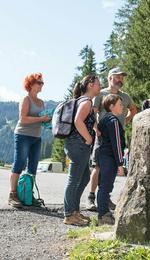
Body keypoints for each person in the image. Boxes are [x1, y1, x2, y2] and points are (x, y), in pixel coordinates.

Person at [87, 67, 137, 211]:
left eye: (122, 77)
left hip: (117, 136)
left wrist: (124, 122)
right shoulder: (100, 94)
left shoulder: (125, 96)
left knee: (112, 167)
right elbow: (93, 113)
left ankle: (105, 198)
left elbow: (133, 110)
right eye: (117, 76)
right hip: (102, 136)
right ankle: (91, 197)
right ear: (110, 78)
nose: (120, 79)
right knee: (98, 166)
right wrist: (96, 129)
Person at [63, 75, 101, 226]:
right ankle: (69, 214)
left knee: (85, 177)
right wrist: (89, 139)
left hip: (78, 145)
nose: (100, 86)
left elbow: (84, 121)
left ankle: (75, 211)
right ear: (90, 85)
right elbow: (78, 121)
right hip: (78, 145)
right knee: (73, 180)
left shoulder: (84, 101)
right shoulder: (85, 102)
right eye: (98, 83)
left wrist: (95, 130)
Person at [8, 73, 49, 208]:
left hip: (36, 137)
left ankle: (27, 194)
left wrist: (47, 122)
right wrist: (41, 119)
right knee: (19, 164)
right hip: (23, 135)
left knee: (32, 167)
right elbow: (23, 119)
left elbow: (41, 120)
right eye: (39, 82)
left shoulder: (41, 102)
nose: (41, 85)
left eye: (42, 82)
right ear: (31, 84)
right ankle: (13, 194)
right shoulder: (26, 99)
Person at [96, 94, 126, 225]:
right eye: (120, 104)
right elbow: (117, 143)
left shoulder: (104, 119)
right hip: (109, 157)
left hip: (103, 155)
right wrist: (120, 163)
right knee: (106, 187)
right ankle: (103, 215)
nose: (122, 107)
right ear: (111, 106)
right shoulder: (113, 121)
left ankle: (103, 212)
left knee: (103, 185)